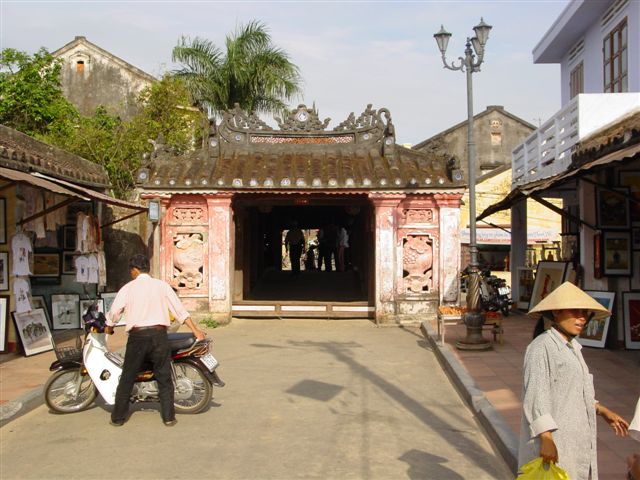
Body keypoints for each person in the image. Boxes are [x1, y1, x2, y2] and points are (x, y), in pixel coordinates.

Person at [518, 282, 629, 479]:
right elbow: (536, 395)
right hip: (555, 443)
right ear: (557, 312)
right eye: (575, 311)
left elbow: (573, 391)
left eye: (585, 313)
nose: (582, 318)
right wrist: (546, 437)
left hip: (574, 441)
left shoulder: (573, 348)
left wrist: (602, 410)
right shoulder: (541, 347)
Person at [105, 253, 205, 427]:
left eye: (131, 270)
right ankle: (169, 417)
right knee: (164, 378)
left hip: (138, 337)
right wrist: (195, 330)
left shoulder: (128, 288)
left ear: (135, 270)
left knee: (128, 377)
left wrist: (109, 327)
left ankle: (118, 418)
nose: (131, 273)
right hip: (159, 336)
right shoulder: (162, 286)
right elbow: (179, 310)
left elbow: (114, 313)